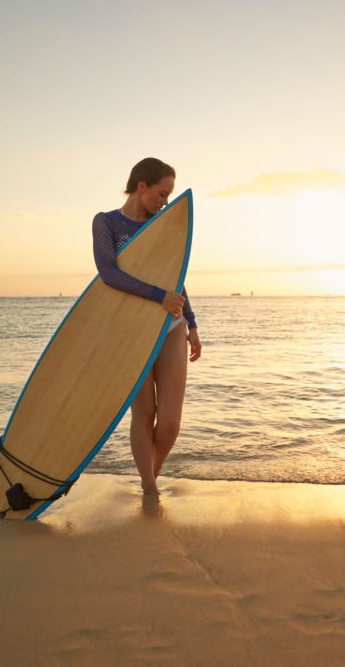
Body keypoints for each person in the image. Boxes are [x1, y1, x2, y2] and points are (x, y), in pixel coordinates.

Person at [91, 157, 201, 496]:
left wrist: (193, 325)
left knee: (169, 421)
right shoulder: (106, 223)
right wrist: (157, 295)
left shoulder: (163, 225)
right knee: (144, 412)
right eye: (162, 193)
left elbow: (176, 279)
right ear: (142, 186)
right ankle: (150, 488)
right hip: (128, 330)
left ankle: (150, 474)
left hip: (170, 327)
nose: (165, 202)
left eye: (169, 196)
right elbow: (108, 274)